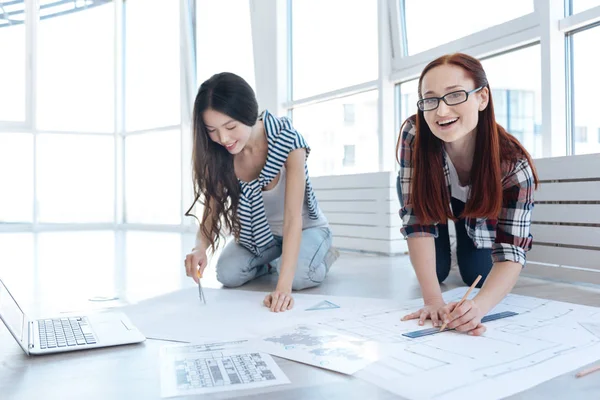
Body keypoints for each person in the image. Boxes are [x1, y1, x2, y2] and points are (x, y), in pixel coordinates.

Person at [396, 53, 538, 335]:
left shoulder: (514, 164)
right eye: (431, 99)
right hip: (431, 201)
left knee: (479, 275)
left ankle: (462, 235)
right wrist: (433, 300)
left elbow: (511, 249)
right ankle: (446, 242)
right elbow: (417, 220)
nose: (441, 111)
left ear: (482, 98)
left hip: (476, 211)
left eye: (455, 95)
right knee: (435, 273)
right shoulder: (415, 132)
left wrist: (479, 308)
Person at [183, 72, 339, 313]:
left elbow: (293, 217)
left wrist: (283, 288)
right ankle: (274, 262)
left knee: (297, 278)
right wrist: (199, 247)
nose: (223, 138)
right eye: (212, 130)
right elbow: (211, 209)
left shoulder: (289, 142)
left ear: (248, 113)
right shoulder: (219, 154)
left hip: (305, 228)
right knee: (228, 274)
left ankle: (323, 255)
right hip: (262, 237)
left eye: (230, 126)